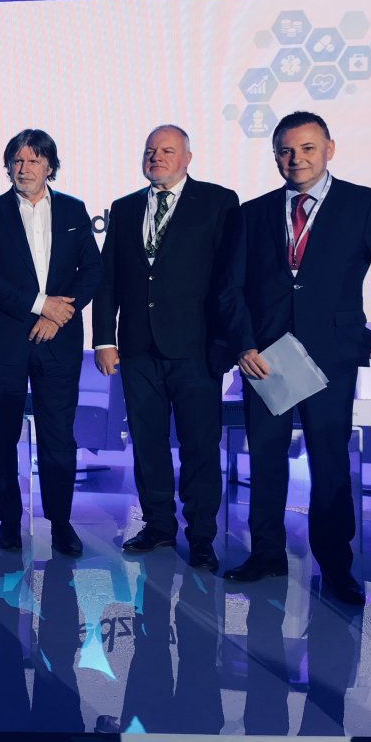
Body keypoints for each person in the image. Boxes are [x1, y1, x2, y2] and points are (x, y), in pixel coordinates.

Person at [219, 110, 371, 605]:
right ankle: (266, 555)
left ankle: (335, 566)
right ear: (275, 157)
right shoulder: (253, 213)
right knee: (266, 461)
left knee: (329, 463)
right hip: (265, 356)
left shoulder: (363, 204)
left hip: (331, 355)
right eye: (286, 151)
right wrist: (243, 345)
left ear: (329, 149)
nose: (296, 159)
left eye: (307, 148)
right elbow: (231, 288)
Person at [92, 125, 239, 573]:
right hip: (138, 349)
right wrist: (104, 338)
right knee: (147, 444)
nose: (156, 157)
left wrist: (225, 342)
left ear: (187, 157)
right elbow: (108, 279)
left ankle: (201, 537)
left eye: (167, 150)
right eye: (150, 150)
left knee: (199, 447)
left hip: (197, 349)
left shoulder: (217, 202)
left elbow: (229, 278)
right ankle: (158, 525)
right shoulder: (124, 207)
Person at [0, 129, 102, 556]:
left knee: (58, 436)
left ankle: (61, 522)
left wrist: (60, 314)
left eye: (34, 160)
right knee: (2, 435)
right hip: (3, 342)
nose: (24, 168)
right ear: (8, 166)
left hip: (58, 340)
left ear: (50, 166)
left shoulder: (74, 210)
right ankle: (8, 521)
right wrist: (42, 305)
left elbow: (92, 271)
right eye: (18, 161)